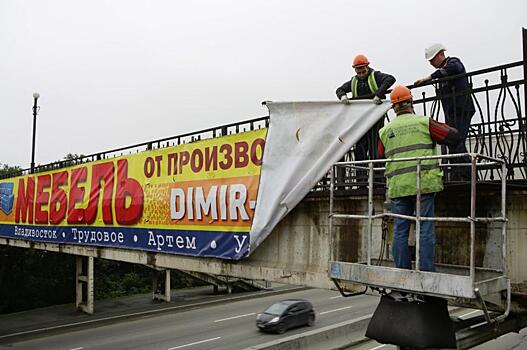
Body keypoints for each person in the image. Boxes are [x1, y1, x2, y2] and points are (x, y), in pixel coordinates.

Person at [378, 85, 461, 272]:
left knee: (400, 230)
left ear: (393, 108)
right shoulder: (424, 122)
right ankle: (426, 272)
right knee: (425, 228)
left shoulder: (385, 131)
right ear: (411, 102)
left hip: (398, 186)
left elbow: (381, 153)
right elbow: (453, 137)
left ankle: (402, 272)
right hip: (422, 183)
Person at [414, 44, 475, 181]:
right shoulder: (443, 71)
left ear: (441, 54)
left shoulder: (453, 62)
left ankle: (467, 175)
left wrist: (429, 77)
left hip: (461, 109)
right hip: (452, 111)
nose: (431, 64)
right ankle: (457, 174)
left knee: (457, 140)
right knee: (453, 141)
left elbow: (455, 69)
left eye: (432, 60)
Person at [336, 54, 396, 163]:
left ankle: (378, 175)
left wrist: (378, 94)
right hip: (361, 118)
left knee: (375, 146)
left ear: (367, 67)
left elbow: (390, 79)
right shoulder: (353, 81)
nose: (361, 74)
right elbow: (339, 89)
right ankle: (361, 176)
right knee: (360, 147)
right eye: (358, 72)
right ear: (355, 71)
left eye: (363, 71)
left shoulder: (376, 76)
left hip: (376, 117)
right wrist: (343, 96)